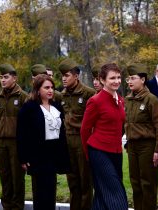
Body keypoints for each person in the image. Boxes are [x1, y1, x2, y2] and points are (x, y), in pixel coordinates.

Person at [17, 74, 70, 210]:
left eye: (52, 87)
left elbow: (61, 132)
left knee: (51, 191)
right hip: (38, 156)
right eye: (46, 87)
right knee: (41, 194)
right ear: (38, 89)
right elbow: (22, 134)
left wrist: (63, 156)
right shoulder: (29, 108)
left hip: (53, 155)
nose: (50, 90)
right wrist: (24, 157)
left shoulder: (57, 106)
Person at [81, 63, 128, 210]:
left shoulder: (120, 100)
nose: (116, 81)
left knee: (102, 194)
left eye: (119, 77)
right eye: (112, 78)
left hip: (116, 152)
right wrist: (89, 155)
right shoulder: (95, 101)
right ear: (102, 80)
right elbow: (84, 130)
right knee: (116, 193)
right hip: (98, 151)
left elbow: (120, 126)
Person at [124, 63, 158, 210]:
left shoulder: (151, 100)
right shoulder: (128, 99)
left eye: (133, 78)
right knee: (135, 183)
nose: (129, 81)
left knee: (147, 184)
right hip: (132, 146)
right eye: (128, 78)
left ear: (142, 80)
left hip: (147, 146)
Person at [59, 58, 95, 210]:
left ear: (76, 76)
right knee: (72, 182)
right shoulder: (62, 95)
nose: (63, 78)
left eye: (67, 75)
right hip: (68, 142)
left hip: (83, 142)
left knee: (85, 182)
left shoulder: (88, 94)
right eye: (62, 76)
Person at [0, 64, 28, 210]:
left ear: (14, 78)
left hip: (17, 144)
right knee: (5, 177)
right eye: (1, 77)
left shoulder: (23, 97)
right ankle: (6, 207)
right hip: (1, 143)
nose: (3, 80)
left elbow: (28, 124)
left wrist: (24, 145)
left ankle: (17, 207)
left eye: (6, 77)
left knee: (17, 178)